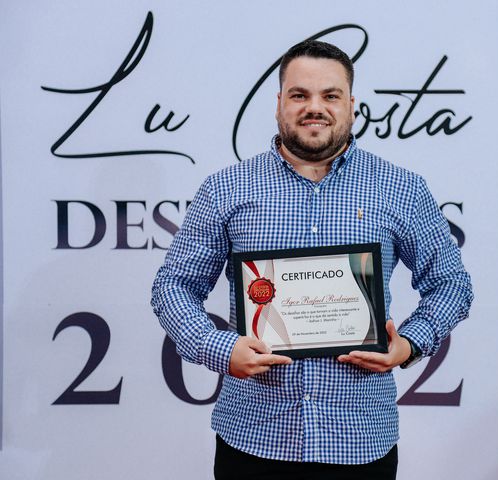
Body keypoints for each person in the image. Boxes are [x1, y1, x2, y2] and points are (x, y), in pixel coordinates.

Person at [151, 39, 473, 480]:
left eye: (330, 96)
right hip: (253, 439)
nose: (314, 107)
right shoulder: (226, 189)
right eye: (300, 95)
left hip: (360, 441)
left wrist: (408, 345)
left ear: (352, 106)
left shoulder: (401, 189)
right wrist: (219, 348)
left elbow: (451, 283)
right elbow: (173, 285)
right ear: (279, 104)